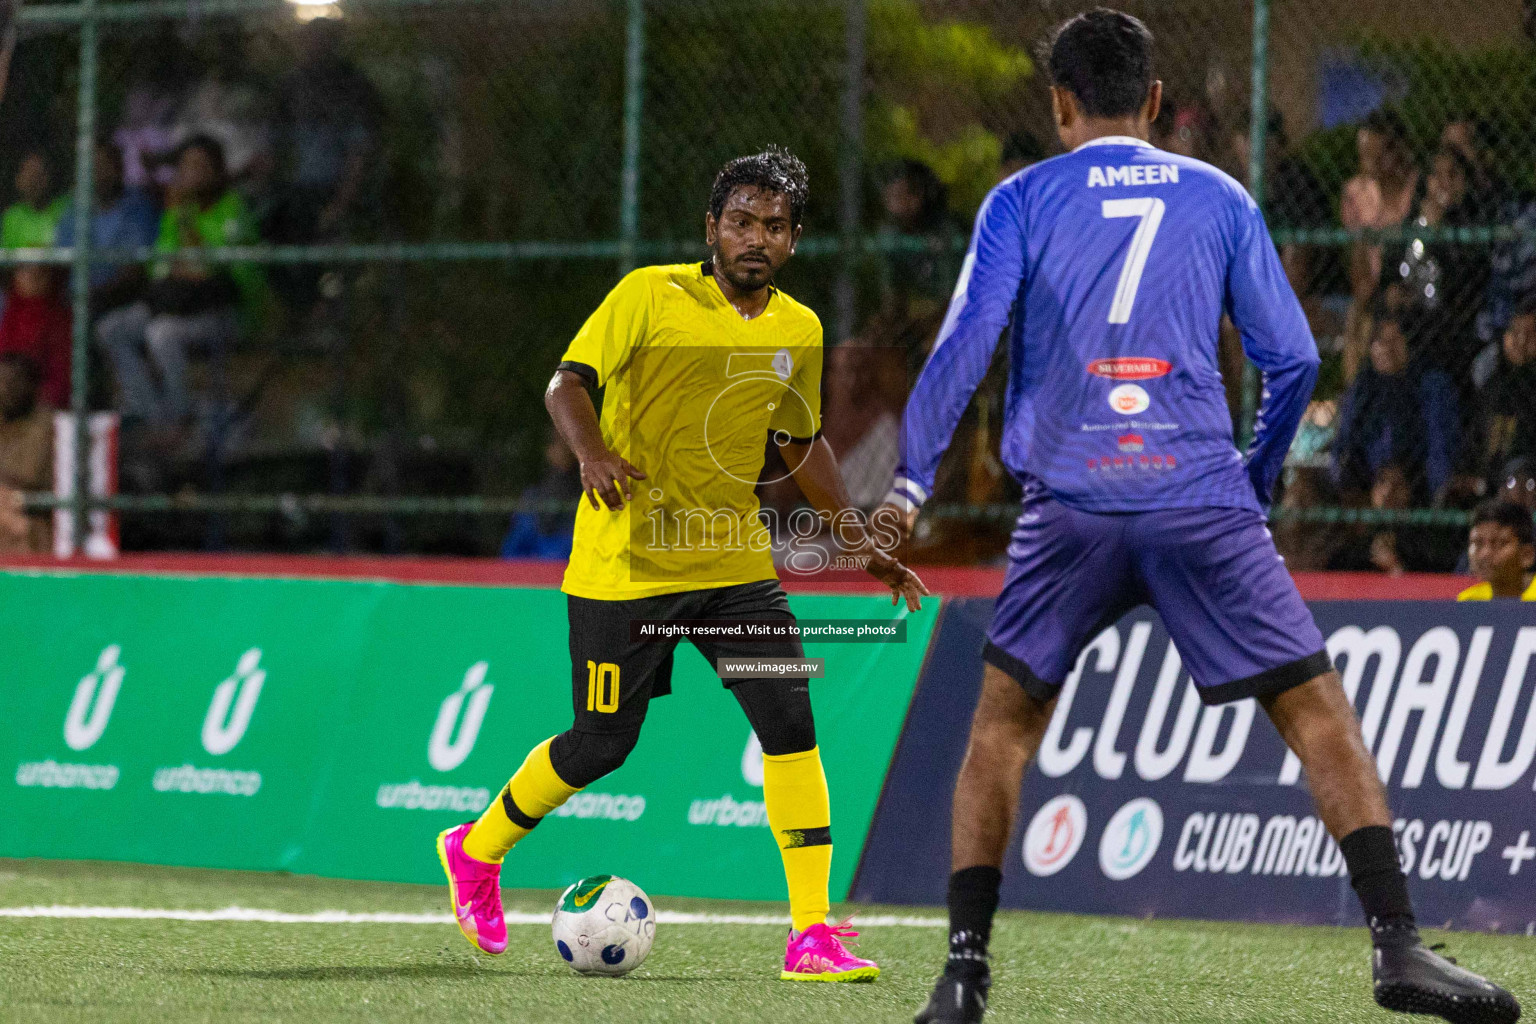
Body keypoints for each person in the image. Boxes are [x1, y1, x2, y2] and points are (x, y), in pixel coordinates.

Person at [876, 12, 1518, 1024]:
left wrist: (911, 486)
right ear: (1159, 101)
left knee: (999, 733)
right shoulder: (1217, 194)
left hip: (1071, 509)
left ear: (1058, 103)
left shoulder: (1021, 199)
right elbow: (1295, 359)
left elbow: (963, 346)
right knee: (1319, 720)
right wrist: (1255, 475)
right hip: (1201, 499)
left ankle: (963, 973)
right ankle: (1398, 948)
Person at [435, 147, 928, 982]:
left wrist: (856, 538)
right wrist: (591, 454)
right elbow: (566, 384)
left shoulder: (797, 328)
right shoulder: (647, 295)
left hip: (734, 564)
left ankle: (812, 934)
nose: (755, 238)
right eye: (741, 220)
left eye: (774, 226)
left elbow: (799, 440)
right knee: (600, 745)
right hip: (625, 566)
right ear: (712, 227)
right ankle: (476, 852)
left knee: (790, 724)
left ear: (795, 240)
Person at [95, 135, 266, 430]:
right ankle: (151, 413)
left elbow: (213, 275)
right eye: (185, 166)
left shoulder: (232, 210)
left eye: (200, 166)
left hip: (224, 312)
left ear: (217, 172)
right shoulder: (177, 211)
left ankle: (179, 417)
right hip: (177, 303)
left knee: (161, 333)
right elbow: (160, 269)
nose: (190, 174)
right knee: (111, 329)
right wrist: (188, 265)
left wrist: (189, 254)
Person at [1332, 310, 1459, 503]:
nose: (1388, 349)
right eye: (1381, 341)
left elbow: (1439, 446)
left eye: (1396, 340)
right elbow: (1344, 445)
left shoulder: (1430, 384)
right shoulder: (1363, 388)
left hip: (1417, 482)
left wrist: (1436, 492)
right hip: (1370, 482)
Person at [54, 141, 161, 317]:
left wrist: (95, 297)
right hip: (72, 303)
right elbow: (61, 265)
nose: (98, 173)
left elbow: (133, 272)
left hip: (120, 303)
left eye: (104, 165)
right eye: (91, 166)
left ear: (119, 168)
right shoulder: (73, 208)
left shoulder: (137, 206)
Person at [0, 353, 54, 555]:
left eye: (12, 381)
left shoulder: (45, 423)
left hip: (33, 514)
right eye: (1, 381)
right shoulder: (3, 420)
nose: (5, 389)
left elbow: (28, 476)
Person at [499, 436, 582, 559]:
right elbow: (512, 552)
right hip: (536, 571)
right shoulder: (533, 497)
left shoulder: (590, 494)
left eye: (568, 443)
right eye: (558, 443)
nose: (565, 451)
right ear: (549, 450)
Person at [1456, 500, 1536, 600]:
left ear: (1527, 555)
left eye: (1498, 544)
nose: (1485, 554)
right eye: (1478, 543)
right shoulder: (1470, 601)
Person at [1, 150, 67, 251]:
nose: (35, 182)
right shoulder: (11, 218)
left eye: (39, 175)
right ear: (18, 181)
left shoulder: (64, 211)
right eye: (30, 176)